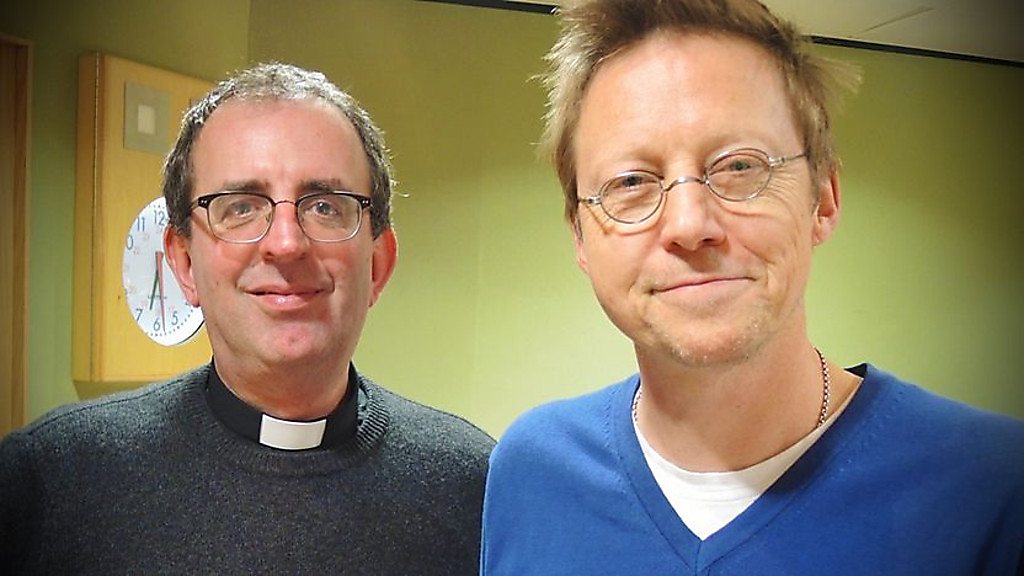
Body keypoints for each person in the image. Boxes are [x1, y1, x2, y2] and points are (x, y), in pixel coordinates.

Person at [481, 1, 1024, 574]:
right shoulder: (532, 475)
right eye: (632, 182)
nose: (689, 224)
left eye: (740, 167)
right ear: (581, 237)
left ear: (823, 199)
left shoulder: (993, 489)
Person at [0, 62, 493, 574]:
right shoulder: (50, 483)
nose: (286, 243)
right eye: (240, 207)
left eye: (325, 206)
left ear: (378, 265)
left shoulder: (475, 488)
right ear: (184, 263)